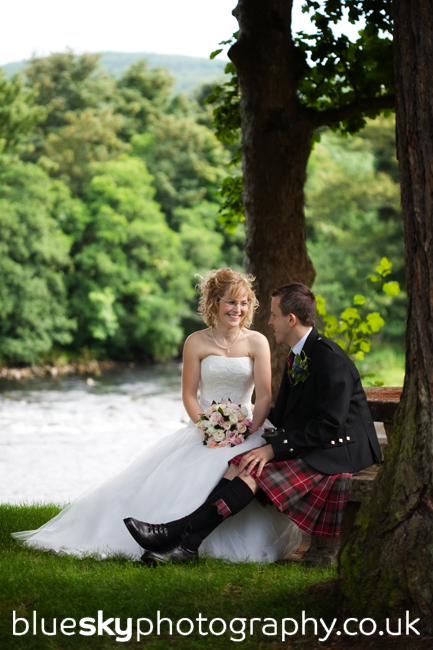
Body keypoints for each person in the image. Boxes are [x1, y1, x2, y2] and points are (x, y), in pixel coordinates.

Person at [12, 269, 301, 562]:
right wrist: (207, 427)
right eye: (230, 302)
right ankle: (174, 537)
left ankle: (180, 538)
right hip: (205, 429)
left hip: (248, 429)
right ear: (214, 302)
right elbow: (189, 394)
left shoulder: (257, 342)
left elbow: (263, 395)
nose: (237, 310)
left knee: (245, 470)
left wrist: (249, 430)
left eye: (243, 303)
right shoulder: (196, 342)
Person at [125, 282, 382, 564]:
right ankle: (186, 545)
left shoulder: (328, 359)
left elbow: (330, 425)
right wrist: (232, 419)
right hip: (315, 440)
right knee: (242, 462)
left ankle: (173, 535)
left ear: (291, 319)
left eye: (273, 315)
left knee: (253, 470)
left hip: (340, 450)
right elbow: (284, 413)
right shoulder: (300, 353)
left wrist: (272, 450)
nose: (269, 321)